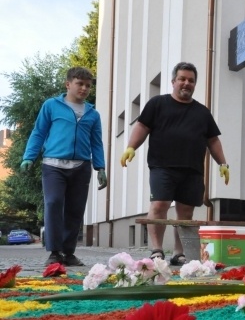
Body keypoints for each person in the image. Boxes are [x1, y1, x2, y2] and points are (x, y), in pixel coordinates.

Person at [120, 62, 230, 265]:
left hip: (192, 170)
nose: (186, 83)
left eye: (191, 80)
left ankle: (179, 253)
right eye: (182, 79)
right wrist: (130, 147)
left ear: (194, 84)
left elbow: (213, 140)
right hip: (162, 166)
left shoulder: (202, 113)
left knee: (185, 213)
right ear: (173, 81)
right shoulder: (157, 104)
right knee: (159, 205)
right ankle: (156, 250)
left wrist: (223, 164)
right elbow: (142, 126)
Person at [21, 67, 107, 266]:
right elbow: (39, 132)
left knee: (75, 210)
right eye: (80, 84)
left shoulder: (93, 114)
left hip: (81, 166)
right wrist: (29, 156)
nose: (84, 88)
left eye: (88, 85)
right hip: (53, 165)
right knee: (53, 203)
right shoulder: (51, 106)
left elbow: (97, 142)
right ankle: (54, 252)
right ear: (68, 84)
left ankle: (68, 253)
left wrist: (100, 167)